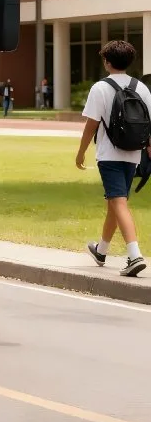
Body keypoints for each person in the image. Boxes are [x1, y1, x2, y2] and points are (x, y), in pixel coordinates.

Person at [76, 40, 151, 277]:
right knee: (115, 201)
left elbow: (91, 125)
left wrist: (81, 152)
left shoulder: (100, 87)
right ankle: (101, 250)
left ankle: (135, 255)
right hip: (133, 154)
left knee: (118, 202)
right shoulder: (142, 88)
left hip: (109, 155)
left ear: (107, 62)